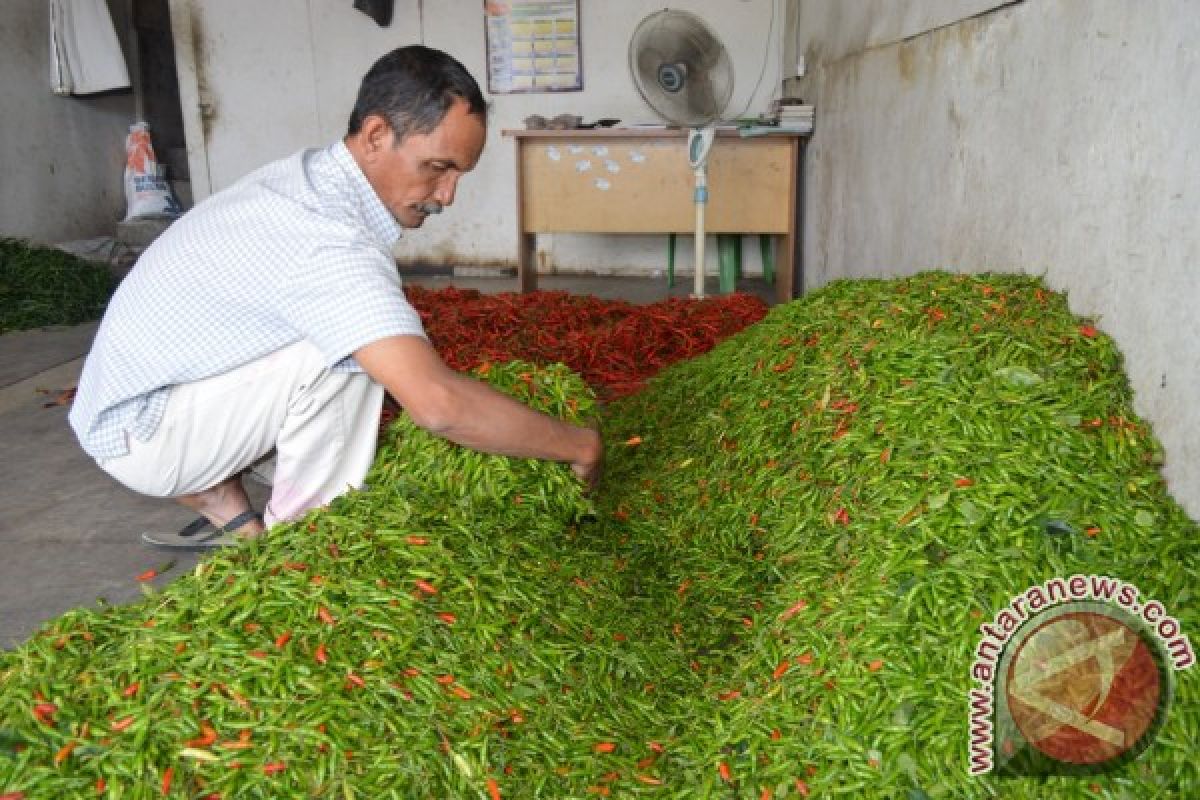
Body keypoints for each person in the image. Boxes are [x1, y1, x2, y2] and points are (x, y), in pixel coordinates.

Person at [68, 46, 604, 548]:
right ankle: (307, 548)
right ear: (375, 135)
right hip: (143, 429)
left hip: (123, 403)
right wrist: (577, 444)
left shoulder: (310, 178)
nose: (447, 195)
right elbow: (439, 407)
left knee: (361, 336)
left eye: (458, 173)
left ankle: (222, 500)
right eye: (437, 167)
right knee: (348, 353)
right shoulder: (329, 237)